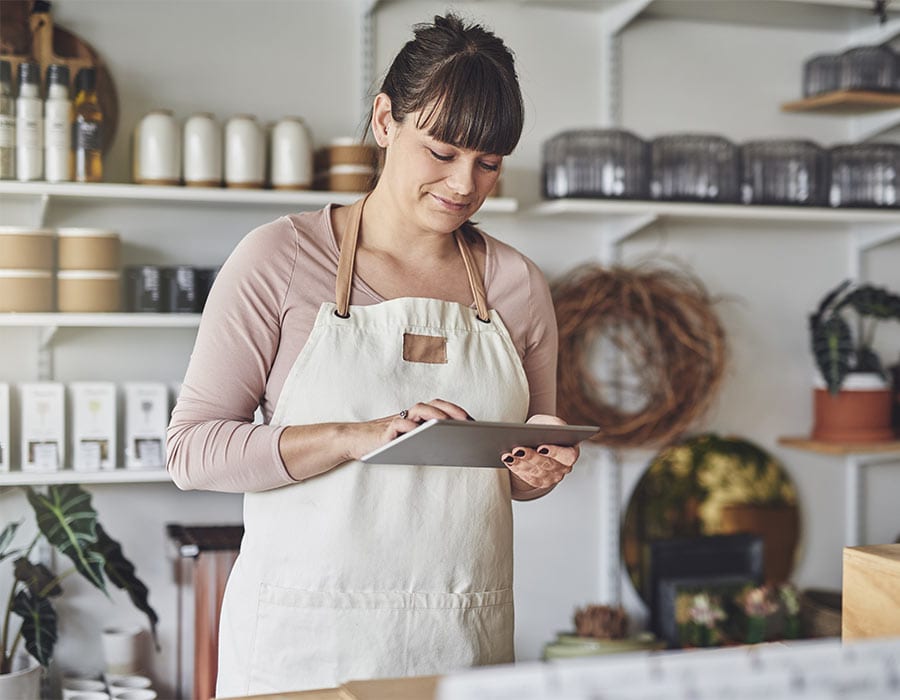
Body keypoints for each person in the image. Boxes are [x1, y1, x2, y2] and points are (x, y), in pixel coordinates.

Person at [166, 12, 579, 696]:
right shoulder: (282, 259)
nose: (463, 185)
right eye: (442, 152)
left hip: (460, 645)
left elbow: (514, 468)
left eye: (489, 163)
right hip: (303, 652)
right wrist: (353, 437)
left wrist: (536, 468)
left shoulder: (516, 287)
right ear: (385, 120)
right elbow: (192, 451)